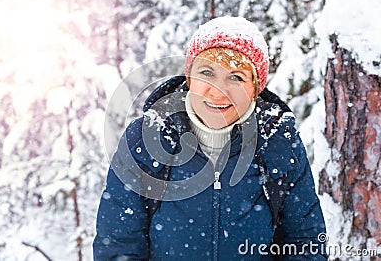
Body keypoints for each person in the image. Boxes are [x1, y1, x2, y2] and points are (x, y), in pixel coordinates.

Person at [93, 16, 327, 260]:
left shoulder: (278, 143)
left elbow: (305, 243)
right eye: (207, 73)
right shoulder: (146, 139)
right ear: (189, 78)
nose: (218, 90)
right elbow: (118, 245)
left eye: (236, 77)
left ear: (255, 88)